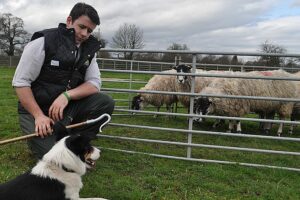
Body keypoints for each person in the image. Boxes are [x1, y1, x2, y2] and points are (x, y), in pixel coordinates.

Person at [12, 2, 114, 159]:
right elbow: (21, 83)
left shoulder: (88, 51)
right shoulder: (43, 42)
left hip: (65, 109)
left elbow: (94, 84)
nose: (85, 34)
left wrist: (66, 96)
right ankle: (44, 140)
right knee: (55, 158)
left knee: (105, 102)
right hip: (36, 111)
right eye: (81, 27)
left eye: (90, 31)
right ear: (69, 21)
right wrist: (38, 116)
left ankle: (78, 140)